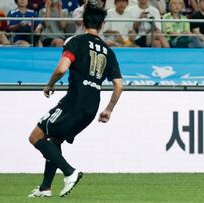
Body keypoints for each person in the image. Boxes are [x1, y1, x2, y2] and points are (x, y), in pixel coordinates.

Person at [27, 3, 123, 197]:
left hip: (74, 102)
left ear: (82, 21)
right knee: (54, 140)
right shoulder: (108, 51)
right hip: (92, 107)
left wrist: (49, 84)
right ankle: (45, 188)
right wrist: (109, 110)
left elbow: (62, 68)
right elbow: (119, 85)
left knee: (35, 137)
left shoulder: (76, 41)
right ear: (102, 24)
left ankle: (70, 172)